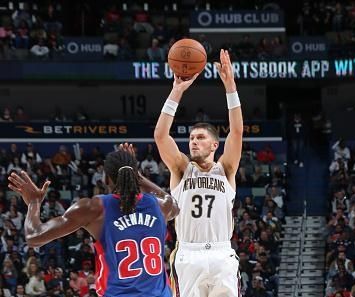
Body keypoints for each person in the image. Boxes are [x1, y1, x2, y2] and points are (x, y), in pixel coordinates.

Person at [8, 143, 179, 297]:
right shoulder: (160, 206)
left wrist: (34, 203)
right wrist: (140, 177)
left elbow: (34, 237)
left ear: (106, 179)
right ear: (135, 174)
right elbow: (174, 205)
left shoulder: (94, 208)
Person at [154, 49, 243, 297]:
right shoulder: (182, 169)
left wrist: (230, 87)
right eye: (191, 138)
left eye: (200, 138)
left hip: (221, 253)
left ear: (215, 145)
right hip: (188, 254)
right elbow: (161, 136)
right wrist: (177, 91)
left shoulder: (225, 169)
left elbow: (236, 133)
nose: (193, 141)